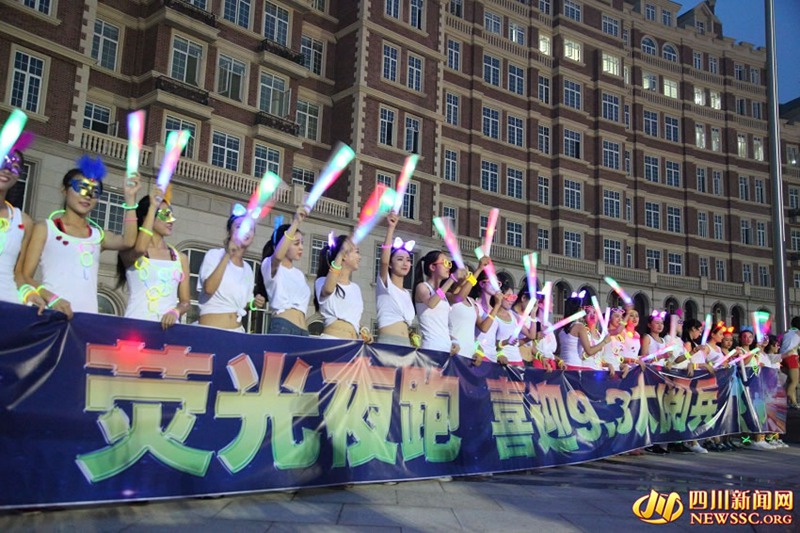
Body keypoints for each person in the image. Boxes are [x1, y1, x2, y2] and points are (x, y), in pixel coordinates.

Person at [22, 156, 140, 318]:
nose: (88, 195)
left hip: (87, 319)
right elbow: (25, 276)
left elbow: (129, 241)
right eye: (81, 187)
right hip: (53, 314)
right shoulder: (45, 228)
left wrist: (130, 199)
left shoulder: (98, 236)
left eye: (95, 191)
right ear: (65, 190)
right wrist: (52, 298)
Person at [118, 193, 190, 328]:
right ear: (147, 217)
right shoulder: (131, 250)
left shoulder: (180, 258)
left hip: (168, 329)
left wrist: (175, 312)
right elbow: (140, 248)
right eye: (165, 215)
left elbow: (185, 302)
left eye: (171, 214)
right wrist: (152, 207)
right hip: (136, 326)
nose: (171, 220)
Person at [197, 206, 264, 331]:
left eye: (250, 228)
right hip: (211, 330)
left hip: (237, 331)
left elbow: (243, 305)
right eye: (239, 227)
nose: (245, 231)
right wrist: (227, 255)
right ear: (229, 231)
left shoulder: (248, 269)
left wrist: (254, 303)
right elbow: (209, 288)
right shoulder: (215, 255)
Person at [258, 206, 311, 336]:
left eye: (302, 243)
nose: (301, 247)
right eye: (296, 243)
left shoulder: (299, 274)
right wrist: (296, 222)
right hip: (284, 326)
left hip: (303, 330)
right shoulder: (269, 264)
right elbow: (277, 257)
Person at [314, 234, 372, 341]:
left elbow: (352, 317)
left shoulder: (356, 288)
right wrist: (340, 254)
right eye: (357, 252)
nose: (359, 257)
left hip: (353, 343)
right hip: (332, 340)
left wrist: (363, 329)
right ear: (345, 255)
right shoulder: (322, 281)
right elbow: (328, 290)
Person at [0, 147, 35, 306]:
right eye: (3, 162)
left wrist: (30, 295)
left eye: (14, 166)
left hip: (8, 305)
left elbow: (18, 274)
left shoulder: (24, 221)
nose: (7, 170)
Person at [375, 213, 415, 346]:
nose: (405, 263)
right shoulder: (385, 283)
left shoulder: (407, 293)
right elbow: (384, 262)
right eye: (400, 259)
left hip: (406, 343)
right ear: (391, 264)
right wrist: (391, 228)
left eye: (408, 260)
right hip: (388, 342)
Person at [414, 250, 459, 354]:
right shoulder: (422, 287)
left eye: (449, 263)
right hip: (431, 348)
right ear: (432, 267)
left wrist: (454, 341)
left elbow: (442, 327)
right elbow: (431, 303)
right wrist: (452, 279)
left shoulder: (442, 294)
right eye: (445, 263)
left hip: (446, 349)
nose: (448, 267)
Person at [446, 259, 488, 362]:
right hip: (454, 352)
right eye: (464, 272)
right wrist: (479, 269)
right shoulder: (447, 296)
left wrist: (478, 350)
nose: (467, 276)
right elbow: (459, 297)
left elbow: (470, 331)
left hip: (469, 356)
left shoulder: (471, 301)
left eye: (469, 273)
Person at [557, 292, 612, 370]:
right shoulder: (580, 327)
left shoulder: (561, 329)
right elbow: (589, 351)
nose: (584, 311)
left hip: (563, 366)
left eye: (594, 312)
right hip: (575, 366)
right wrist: (604, 341)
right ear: (579, 309)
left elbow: (558, 350)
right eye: (584, 310)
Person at [779, 316, 800, 409]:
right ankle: (786, 398)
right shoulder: (798, 332)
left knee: (789, 381)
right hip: (791, 356)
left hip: (782, 356)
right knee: (795, 381)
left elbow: (779, 340)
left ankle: (793, 402)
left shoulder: (787, 332)